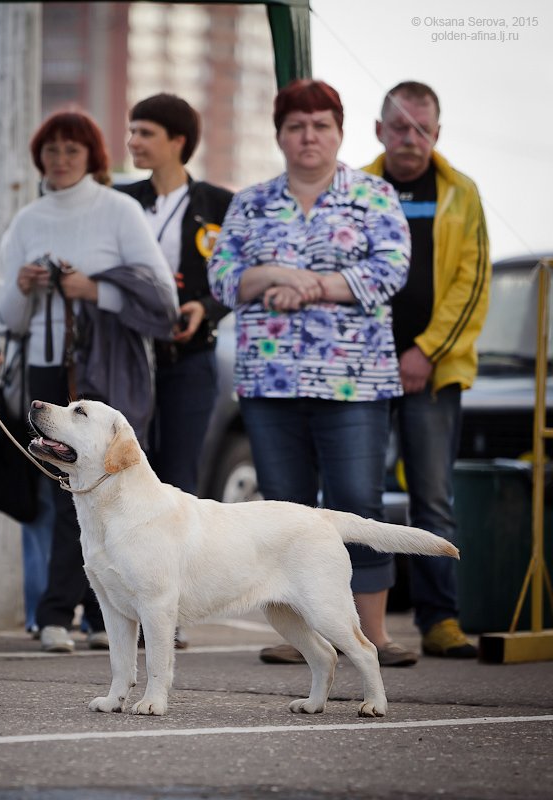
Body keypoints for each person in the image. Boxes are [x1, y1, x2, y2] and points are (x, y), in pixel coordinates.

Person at [207, 79, 416, 667]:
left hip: (355, 381)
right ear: (279, 134)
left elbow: (391, 268)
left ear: (339, 132)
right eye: (296, 126)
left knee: (356, 501)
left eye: (320, 125)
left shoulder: (373, 196)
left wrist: (317, 286)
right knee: (287, 509)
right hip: (269, 382)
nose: (308, 136)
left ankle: (371, 632)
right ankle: (302, 636)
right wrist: (273, 273)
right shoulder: (250, 203)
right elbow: (223, 277)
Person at [0, 110, 178, 654]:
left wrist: (93, 291)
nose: (61, 159)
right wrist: (25, 288)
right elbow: (4, 317)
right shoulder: (27, 218)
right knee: (61, 494)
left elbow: (160, 297)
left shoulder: (118, 208)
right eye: (51, 150)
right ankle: (53, 614)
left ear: (93, 156)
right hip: (47, 369)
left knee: (115, 491)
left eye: (73, 150)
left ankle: (107, 616)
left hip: (103, 373)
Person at [363, 81, 490, 659]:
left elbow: (471, 285)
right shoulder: (357, 189)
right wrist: (383, 356)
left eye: (421, 128)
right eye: (399, 126)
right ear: (379, 131)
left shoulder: (461, 193)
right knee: (356, 497)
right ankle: (350, 622)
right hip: (361, 372)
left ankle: (441, 619)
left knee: (432, 500)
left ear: (436, 134)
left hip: (431, 375)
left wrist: (426, 353)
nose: (409, 138)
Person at [119, 93, 233, 497]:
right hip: (127, 357)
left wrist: (206, 308)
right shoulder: (122, 200)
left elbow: (237, 279)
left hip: (190, 359)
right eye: (131, 130)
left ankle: (179, 562)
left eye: (146, 133)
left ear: (178, 141)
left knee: (179, 479)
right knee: (124, 475)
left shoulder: (220, 204)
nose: (133, 141)